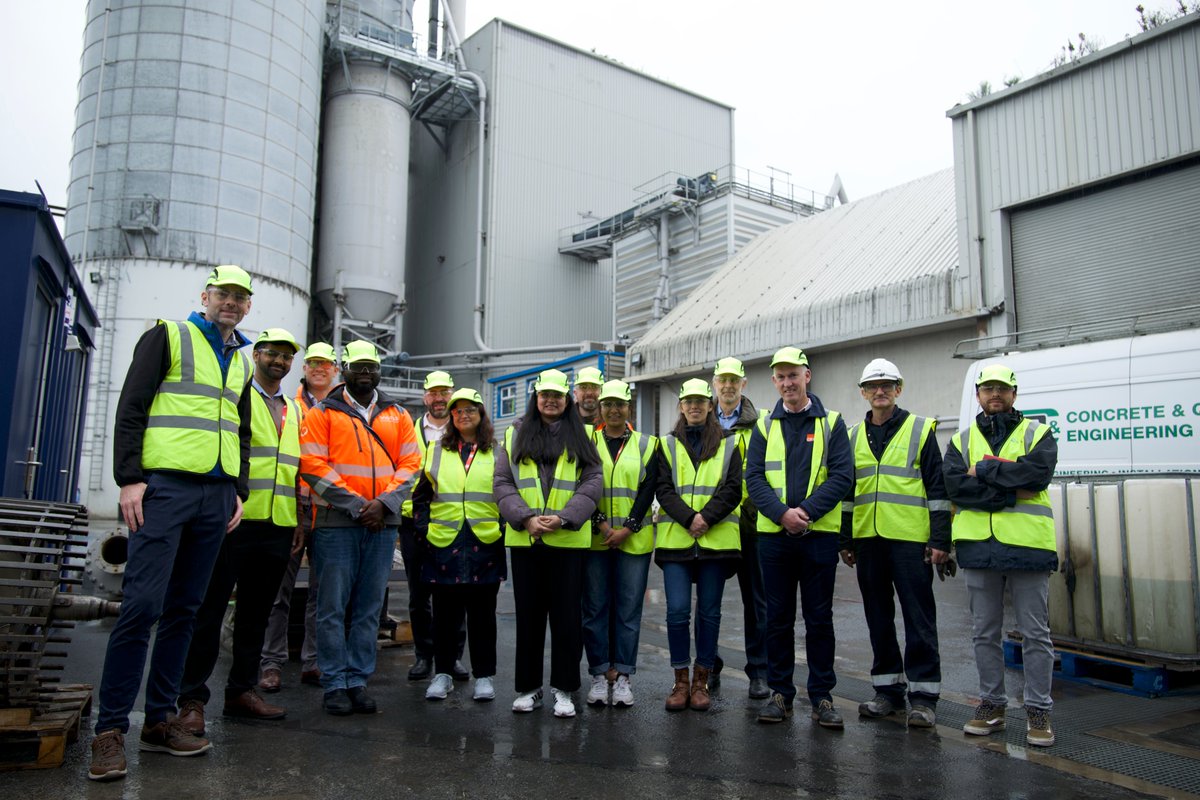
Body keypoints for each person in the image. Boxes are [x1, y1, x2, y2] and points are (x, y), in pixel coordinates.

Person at [89, 265, 255, 782]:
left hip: (215, 495)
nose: (231, 303)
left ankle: (159, 720)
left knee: (186, 610)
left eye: (240, 297)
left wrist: (238, 489)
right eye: (223, 294)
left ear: (248, 305)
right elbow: (132, 407)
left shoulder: (241, 360)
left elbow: (241, 429)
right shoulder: (169, 335)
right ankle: (110, 730)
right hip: (164, 490)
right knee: (141, 606)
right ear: (206, 296)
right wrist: (130, 479)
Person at [176, 328, 304, 735]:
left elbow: (296, 468)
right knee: (210, 611)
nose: (279, 361)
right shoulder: (237, 396)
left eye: (286, 356)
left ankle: (241, 692)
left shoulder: (295, 409)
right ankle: (192, 700)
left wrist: (299, 519)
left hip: (278, 523)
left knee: (256, 615)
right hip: (234, 520)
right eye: (271, 353)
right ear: (257, 355)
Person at [298, 340, 421, 716]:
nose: (365, 373)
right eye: (358, 367)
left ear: (379, 371)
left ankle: (357, 680)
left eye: (371, 367)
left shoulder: (398, 414)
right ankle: (335, 682)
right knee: (332, 607)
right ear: (345, 370)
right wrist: (357, 506)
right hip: (337, 523)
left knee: (368, 607)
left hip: (382, 522)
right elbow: (312, 465)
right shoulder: (323, 413)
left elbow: (411, 464)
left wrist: (383, 504)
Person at [943, 364, 1059, 747]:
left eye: (1002, 388)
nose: (995, 394)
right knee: (984, 632)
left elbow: (1036, 477)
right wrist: (1009, 490)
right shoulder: (960, 441)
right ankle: (992, 704)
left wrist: (984, 469)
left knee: (1035, 633)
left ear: (1014, 394)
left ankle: (1038, 710)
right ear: (978, 394)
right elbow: (956, 487)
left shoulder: (1038, 433)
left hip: (1028, 546)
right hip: (978, 547)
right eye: (988, 388)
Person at [745, 346, 854, 729]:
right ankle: (780, 694)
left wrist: (804, 514)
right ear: (774, 381)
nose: (788, 383)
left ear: (807, 376)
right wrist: (782, 515)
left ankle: (822, 696)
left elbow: (842, 476)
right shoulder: (763, 426)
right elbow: (754, 478)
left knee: (819, 619)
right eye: (781, 377)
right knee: (777, 619)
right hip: (775, 538)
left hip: (818, 536)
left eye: (794, 375)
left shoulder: (832, 423)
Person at [839, 358, 950, 729]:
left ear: (898, 389)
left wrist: (940, 539)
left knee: (919, 617)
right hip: (867, 540)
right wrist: (846, 539)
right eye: (872, 386)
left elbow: (938, 489)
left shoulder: (919, 429)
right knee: (878, 617)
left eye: (886, 385)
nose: (880, 391)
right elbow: (847, 492)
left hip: (910, 540)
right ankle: (887, 691)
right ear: (863, 393)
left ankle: (924, 698)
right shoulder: (852, 435)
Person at [494, 368, 601, 718]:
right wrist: (525, 518)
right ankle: (528, 689)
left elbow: (593, 481)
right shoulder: (514, 434)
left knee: (567, 619)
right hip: (527, 540)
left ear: (567, 399)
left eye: (557, 395)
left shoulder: (585, 434)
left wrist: (565, 517)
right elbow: (502, 481)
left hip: (567, 540)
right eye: (545, 395)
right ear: (536, 398)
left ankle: (564, 689)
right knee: (529, 617)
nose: (551, 401)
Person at [410, 388, 507, 703]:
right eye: (458, 411)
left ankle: (484, 676)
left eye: (470, 410)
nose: (464, 415)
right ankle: (443, 674)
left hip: (484, 543)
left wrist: (502, 527)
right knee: (444, 616)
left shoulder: (498, 452)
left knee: (483, 616)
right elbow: (421, 496)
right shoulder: (436, 450)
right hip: (444, 544)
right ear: (452, 417)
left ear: (481, 414)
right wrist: (424, 529)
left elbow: (507, 495)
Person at [655, 378, 742, 712]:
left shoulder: (730, 443)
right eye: (688, 401)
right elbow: (663, 489)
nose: (694, 406)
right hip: (676, 541)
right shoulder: (667, 444)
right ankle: (680, 681)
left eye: (700, 401)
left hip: (715, 542)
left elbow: (733, 489)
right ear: (681, 406)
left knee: (709, 613)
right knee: (677, 612)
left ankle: (700, 681)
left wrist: (705, 518)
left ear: (710, 406)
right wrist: (690, 518)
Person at [258, 342, 338, 693]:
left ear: (335, 369)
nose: (319, 368)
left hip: (330, 511)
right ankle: (271, 663)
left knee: (324, 593)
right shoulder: (290, 407)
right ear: (304, 368)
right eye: (312, 362)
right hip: (292, 508)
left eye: (325, 363)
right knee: (279, 591)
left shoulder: (343, 409)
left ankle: (314, 662)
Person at [582, 380, 658, 707]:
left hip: (633, 540)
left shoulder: (647, 444)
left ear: (629, 407)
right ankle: (599, 675)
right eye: (608, 404)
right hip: (595, 539)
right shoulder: (588, 441)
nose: (614, 410)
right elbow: (581, 484)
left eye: (620, 404)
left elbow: (648, 489)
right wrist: (600, 522)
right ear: (600, 408)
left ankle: (624, 676)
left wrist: (628, 527)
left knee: (628, 610)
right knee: (594, 608)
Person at [400, 370, 468, 682]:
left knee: (455, 592)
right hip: (413, 521)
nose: (439, 399)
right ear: (425, 396)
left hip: (453, 520)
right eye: (433, 393)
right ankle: (423, 655)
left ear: (451, 394)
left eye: (444, 393)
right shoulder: (409, 430)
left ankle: (453, 657)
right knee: (419, 594)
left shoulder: (463, 430)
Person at [711, 356, 769, 699]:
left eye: (734, 380)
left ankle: (759, 671)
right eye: (723, 380)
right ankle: (709, 665)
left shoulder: (761, 424)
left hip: (750, 524)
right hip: (714, 523)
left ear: (743, 384)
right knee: (710, 601)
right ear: (715, 383)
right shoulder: (701, 421)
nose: (729, 386)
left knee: (757, 601)